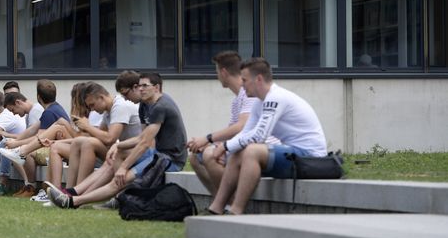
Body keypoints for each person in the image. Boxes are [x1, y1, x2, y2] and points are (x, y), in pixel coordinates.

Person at [204, 57, 328, 215]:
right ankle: (217, 208)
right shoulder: (259, 102)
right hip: (294, 153)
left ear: (259, 79)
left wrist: (225, 146)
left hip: (309, 158)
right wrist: (227, 149)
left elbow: (259, 136)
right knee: (238, 151)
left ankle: (236, 210)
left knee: (252, 150)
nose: (241, 84)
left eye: (244, 80)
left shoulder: (276, 97)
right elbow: (246, 132)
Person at [48, 72, 188, 209]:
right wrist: (119, 146)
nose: (141, 89)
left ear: (156, 87)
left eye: (145, 86)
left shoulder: (160, 107)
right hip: (154, 154)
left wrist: (123, 167)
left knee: (119, 178)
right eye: (139, 86)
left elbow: (144, 143)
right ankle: (72, 192)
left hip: (168, 159)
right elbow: (141, 137)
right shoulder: (144, 106)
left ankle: (75, 200)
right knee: (113, 158)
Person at [187, 51, 259, 196]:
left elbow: (242, 126)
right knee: (195, 156)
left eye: (217, 72)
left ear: (224, 72)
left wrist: (208, 139)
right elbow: (233, 129)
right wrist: (207, 142)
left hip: (257, 147)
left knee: (210, 155)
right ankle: (219, 200)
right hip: (243, 144)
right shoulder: (237, 99)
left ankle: (230, 204)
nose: (217, 77)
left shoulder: (249, 94)